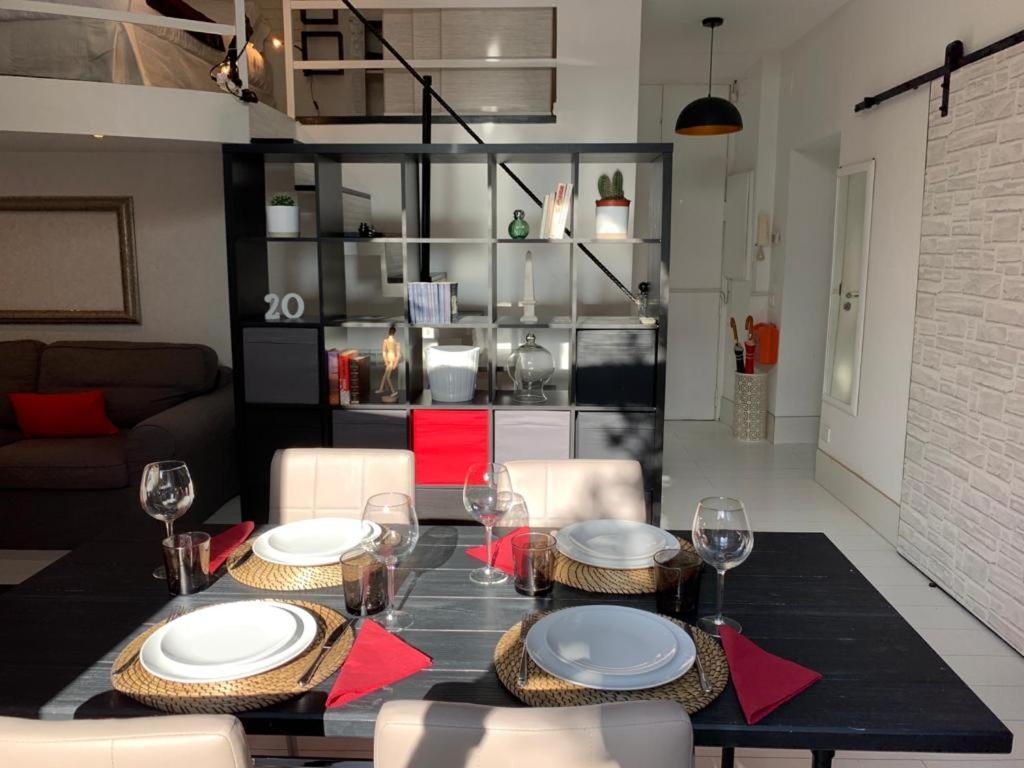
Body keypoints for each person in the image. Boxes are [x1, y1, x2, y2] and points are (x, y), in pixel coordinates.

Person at [377, 325, 401, 401]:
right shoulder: (394, 342)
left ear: (389, 332)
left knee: (387, 377)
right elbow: (397, 354)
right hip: (390, 359)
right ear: (394, 333)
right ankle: (381, 388)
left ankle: (393, 391)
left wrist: (394, 363)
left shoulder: (390, 341)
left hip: (390, 359)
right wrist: (391, 362)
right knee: (385, 376)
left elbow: (384, 352)